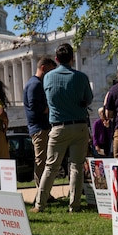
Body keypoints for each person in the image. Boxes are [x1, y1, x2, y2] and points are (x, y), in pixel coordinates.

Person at [32, 43, 94, 213]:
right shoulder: (81, 77)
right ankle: (74, 206)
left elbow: (50, 98)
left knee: (50, 167)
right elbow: (88, 99)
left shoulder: (48, 77)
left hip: (58, 126)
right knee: (76, 166)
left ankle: (40, 204)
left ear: (57, 59)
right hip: (79, 125)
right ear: (72, 59)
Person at [24, 56, 56, 184]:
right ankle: (42, 192)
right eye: (50, 70)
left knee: (44, 160)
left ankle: (44, 192)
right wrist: (50, 109)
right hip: (39, 128)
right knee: (41, 161)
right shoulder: (35, 84)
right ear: (43, 68)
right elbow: (34, 106)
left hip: (39, 127)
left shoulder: (34, 83)